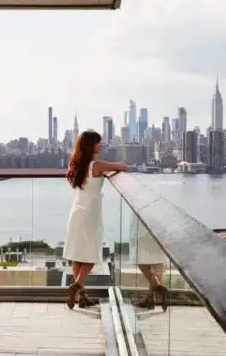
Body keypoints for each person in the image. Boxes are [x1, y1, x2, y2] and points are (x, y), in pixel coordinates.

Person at [64, 130, 127, 309]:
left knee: (78, 255)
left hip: (77, 210)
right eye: (98, 143)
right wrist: (114, 166)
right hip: (91, 212)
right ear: (91, 146)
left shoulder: (74, 164)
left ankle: (80, 297)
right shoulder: (97, 165)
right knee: (92, 253)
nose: (101, 146)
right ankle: (76, 285)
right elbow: (123, 166)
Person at [132, 219, 169, 311]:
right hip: (162, 227)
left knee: (140, 259)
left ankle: (158, 288)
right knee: (157, 263)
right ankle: (150, 300)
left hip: (146, 228)